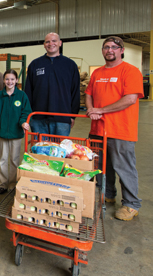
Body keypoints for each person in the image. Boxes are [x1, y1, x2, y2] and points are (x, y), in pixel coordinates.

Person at [85, 36, 143, 221]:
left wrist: (100, 110)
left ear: (121, 50)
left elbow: (130, 99)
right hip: (97, 129)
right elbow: (89, 94)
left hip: (120, 130)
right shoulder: (97, 73)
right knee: (100, 167)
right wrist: (90, 109)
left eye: (114, 47)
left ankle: (131, 204)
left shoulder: (130, 71)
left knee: (123, 167)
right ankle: (107, 195)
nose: (110, 50)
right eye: (106, 47)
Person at [25, 32, 80, 136]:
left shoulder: (70, 65)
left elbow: (75, 91)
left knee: (59, 151)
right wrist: (28, 115)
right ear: (44, 44)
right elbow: (28, 91)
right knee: (40, 151)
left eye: (54, 41)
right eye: (47, 42)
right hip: (38, 118)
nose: (51, 44)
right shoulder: (35, 64)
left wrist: (73, 115)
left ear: (60, 43)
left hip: (62, 118)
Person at [0, 70, 31, 194]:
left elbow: (26, 111)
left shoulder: (22, 96)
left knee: (14, 159)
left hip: (16, 133)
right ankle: (2, 184)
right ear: (3, 80)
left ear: (17, 80)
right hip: (2, 133)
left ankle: (13, 183)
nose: (10, 82)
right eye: (7, 79)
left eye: (12, 79)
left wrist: (23, 122)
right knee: (3, 159)